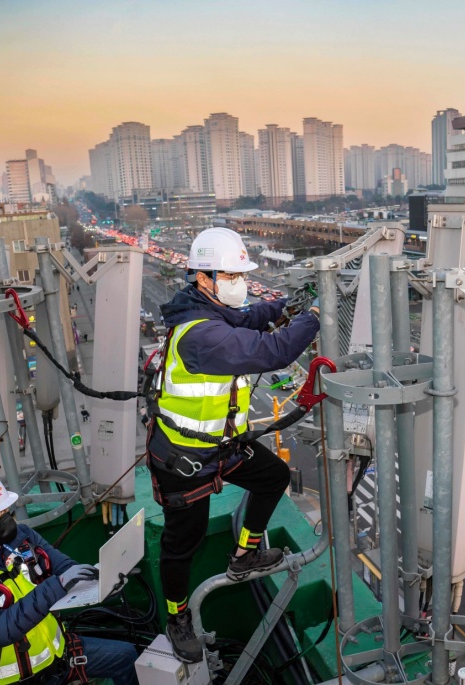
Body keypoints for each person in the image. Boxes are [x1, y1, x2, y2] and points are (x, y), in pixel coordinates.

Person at [147, 227, 320, 664]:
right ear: (204, 279)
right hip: (185, 462)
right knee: (182, 545)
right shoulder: (201, 333)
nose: (238, 283)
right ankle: (177, 616)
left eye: (240, 274)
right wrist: (315, 316)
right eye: (230, 275)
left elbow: (255, 317)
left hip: (222, 449)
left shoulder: (213, 311)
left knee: (273, 476)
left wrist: (288, 305)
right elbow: (273, 351)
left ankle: (245, 555)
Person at [0, 469, 138, 684]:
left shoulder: (24, 537)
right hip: (15, 681)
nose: (4, 518)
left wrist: (102, 582)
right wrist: (56, 586)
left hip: (60, 658)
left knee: (125, 657)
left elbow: (65, 568)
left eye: (4, 510)